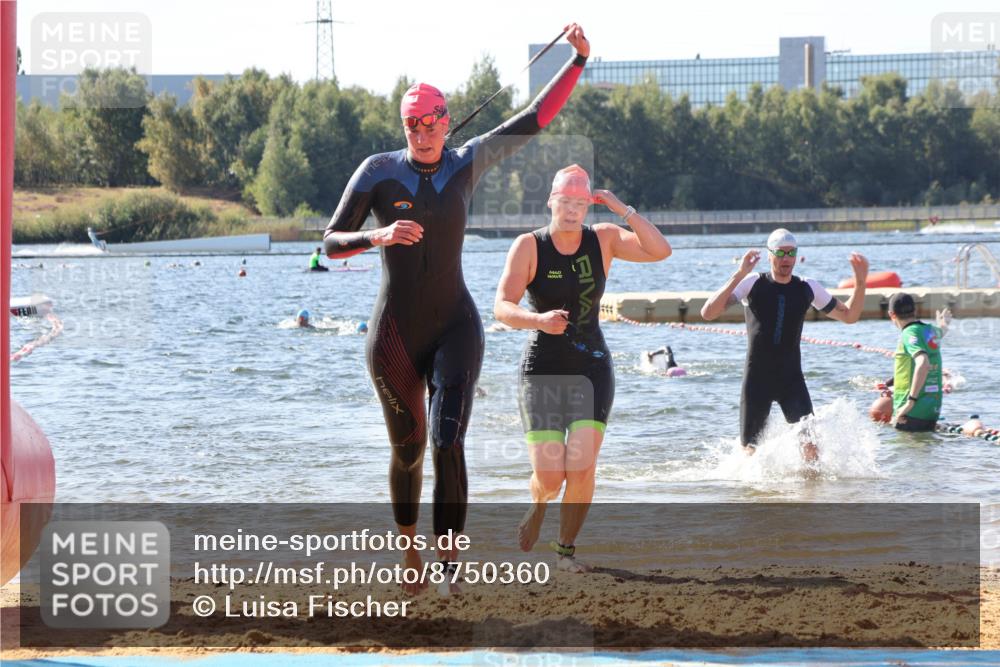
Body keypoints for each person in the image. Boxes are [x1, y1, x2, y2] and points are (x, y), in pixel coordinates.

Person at [323, 24, 591, 593]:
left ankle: (449, 571)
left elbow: (531, 121)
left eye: (431, 122)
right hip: (393, 333)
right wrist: (380, 236)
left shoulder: (465, 163)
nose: (422, 133)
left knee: (448, 441)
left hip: (455, 326)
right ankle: (409, 556)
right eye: (412, 125)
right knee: (410, 450)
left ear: (446, 121)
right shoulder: (378, 172)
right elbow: (329, 242)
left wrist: (576, 61)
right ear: (405, 127)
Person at [494, 164, 671, 572]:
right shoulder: (529, 246)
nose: (572, 210)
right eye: (565, 202)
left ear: (588, 205)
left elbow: (661, 251)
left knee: (583, 466)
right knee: (552, 477)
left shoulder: (604, 240)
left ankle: (565, 551)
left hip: (592, 366)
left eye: (580, 203)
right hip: (542, 368)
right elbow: (502, 305)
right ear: (551, 202)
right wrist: (538, 321)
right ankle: (538, 504)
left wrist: (620, 208)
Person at [700, 228, 869, 460]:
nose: (786, 259)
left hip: (791, 379)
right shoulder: (753, 283)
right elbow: (708, 312)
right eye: (780, 253)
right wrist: (739, 274)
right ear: (770, 255)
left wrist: (860, 282)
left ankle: (809, 495)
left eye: (791, 253)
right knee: (750, 450)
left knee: (811, 448)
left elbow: (849, 316)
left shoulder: (807, 287)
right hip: (757, 379)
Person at [888, 293, 950, 432]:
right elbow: (942, 331)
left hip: (911, 412)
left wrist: (910, 402)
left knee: (904, 451)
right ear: (914, 311)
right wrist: (944, 323)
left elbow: (923, 363)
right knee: (924, 451)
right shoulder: (930, 330)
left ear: (892, 314)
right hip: (931, 410)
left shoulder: (909, 333)